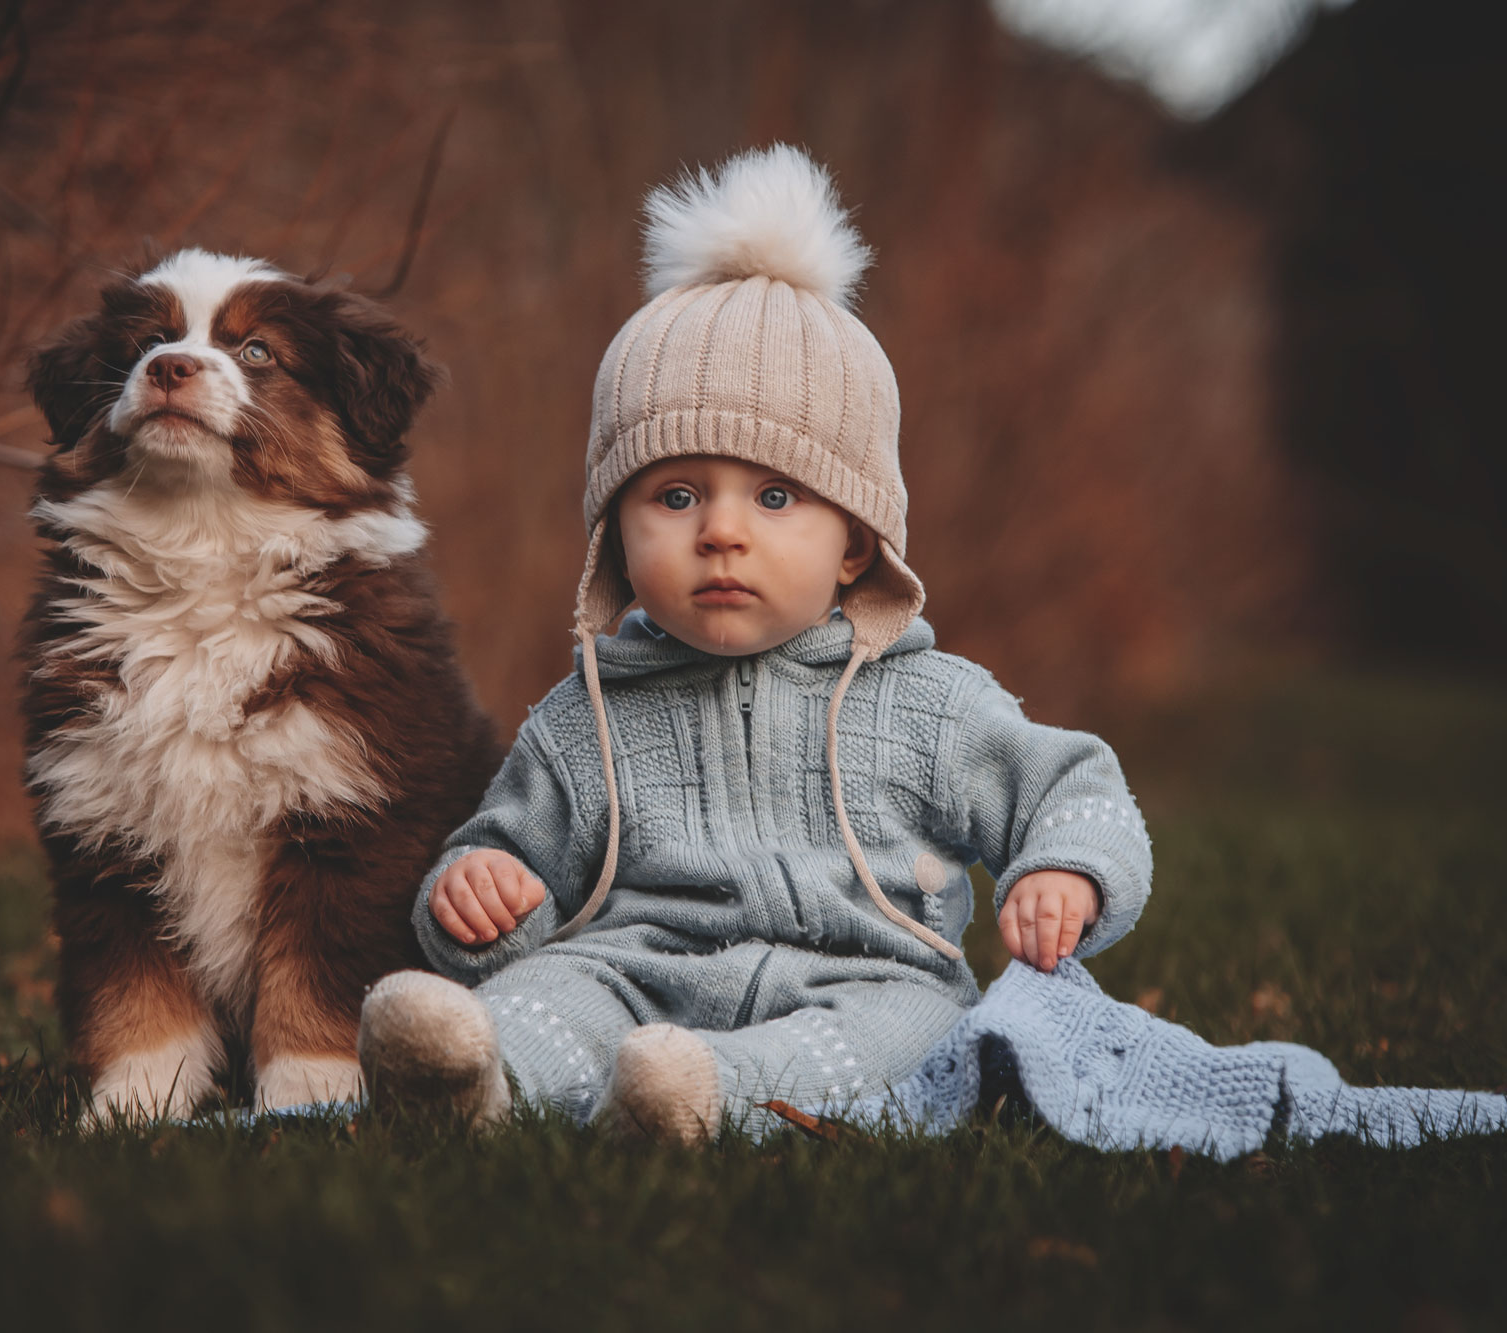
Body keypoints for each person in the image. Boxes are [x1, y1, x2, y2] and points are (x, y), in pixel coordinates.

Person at [356, 145, 1153, 1142]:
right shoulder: (585, 717)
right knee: (548, 993)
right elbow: (503, 858)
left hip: (867, 976)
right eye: (674, 495)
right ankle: (467, 1078)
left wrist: (1063, 869)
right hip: (631, 972)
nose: (720, 530)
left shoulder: (933, 704)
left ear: (856, 540)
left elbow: (1072, 786)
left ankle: (703, 1094)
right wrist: (478, 898)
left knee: (912, 1031)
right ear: (614, 531)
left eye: (774, 496)